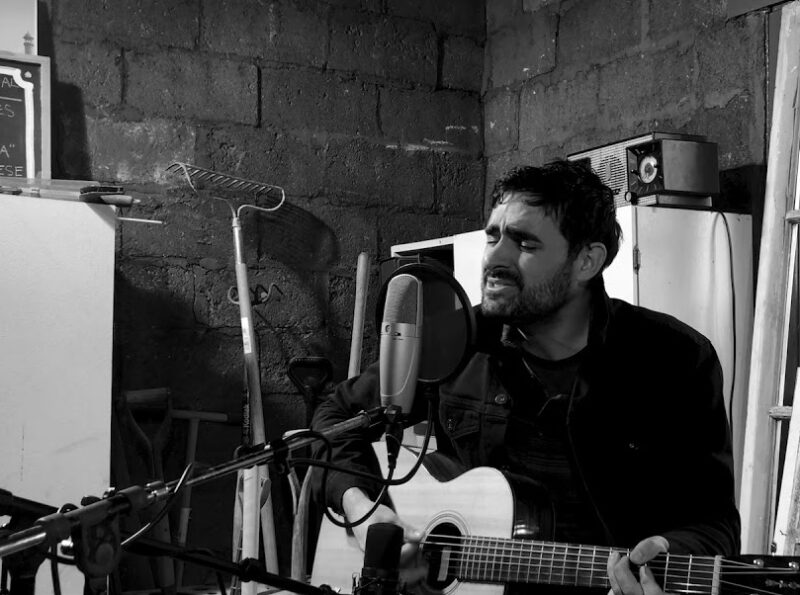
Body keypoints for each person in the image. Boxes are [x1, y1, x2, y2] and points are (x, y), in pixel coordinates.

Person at [311, 160, 740, 595]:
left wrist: (667, 551)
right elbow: (335, 416)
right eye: (493, 236)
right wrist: (366, 513)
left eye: (525, 243)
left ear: (586, 261)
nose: (494, 259)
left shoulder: (675, 360)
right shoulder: (455, 342)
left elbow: (714, 524)